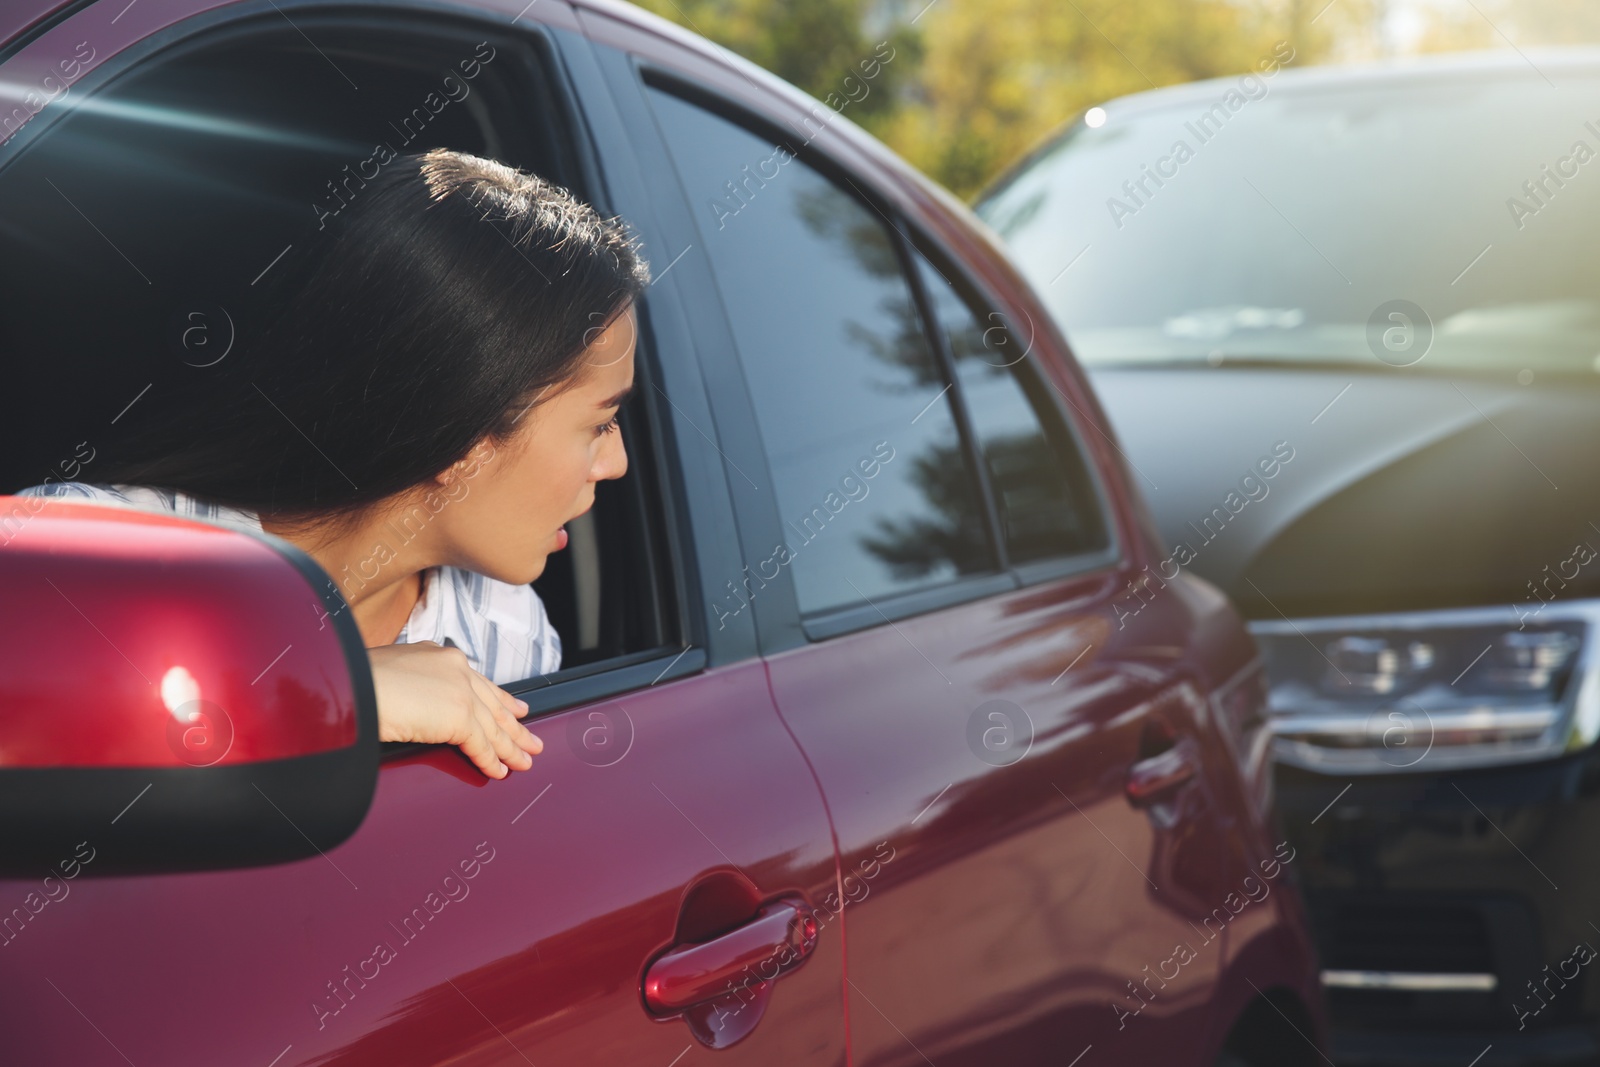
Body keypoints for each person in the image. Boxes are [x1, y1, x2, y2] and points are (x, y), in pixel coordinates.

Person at [16, 147, 649, 779]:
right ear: (461, 438)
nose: (616, 461)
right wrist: (335, 690)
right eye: (599, 423)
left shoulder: (511, 632)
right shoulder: (86, 549)